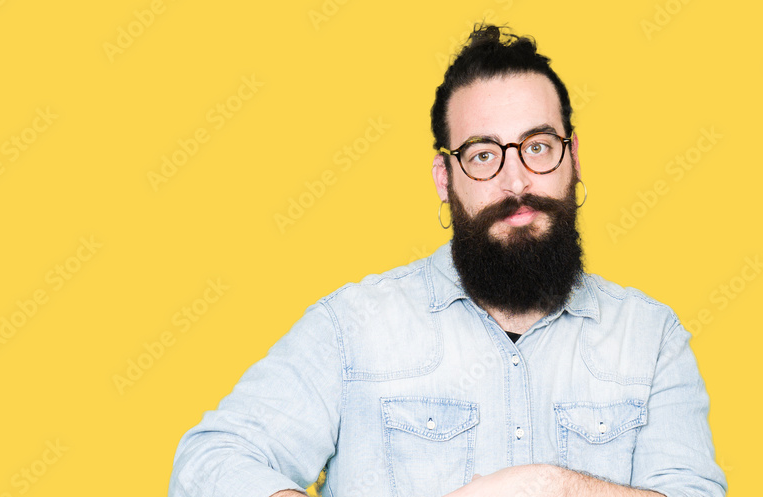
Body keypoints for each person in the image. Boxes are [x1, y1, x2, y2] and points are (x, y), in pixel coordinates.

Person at [168, 24, 727, 497]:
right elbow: (209, 461)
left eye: (538, 146)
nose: (516, 181)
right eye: (483, 154)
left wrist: (554, 485)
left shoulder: (651, 338)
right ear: (445, 178)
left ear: (573, 157)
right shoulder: (353, 327)